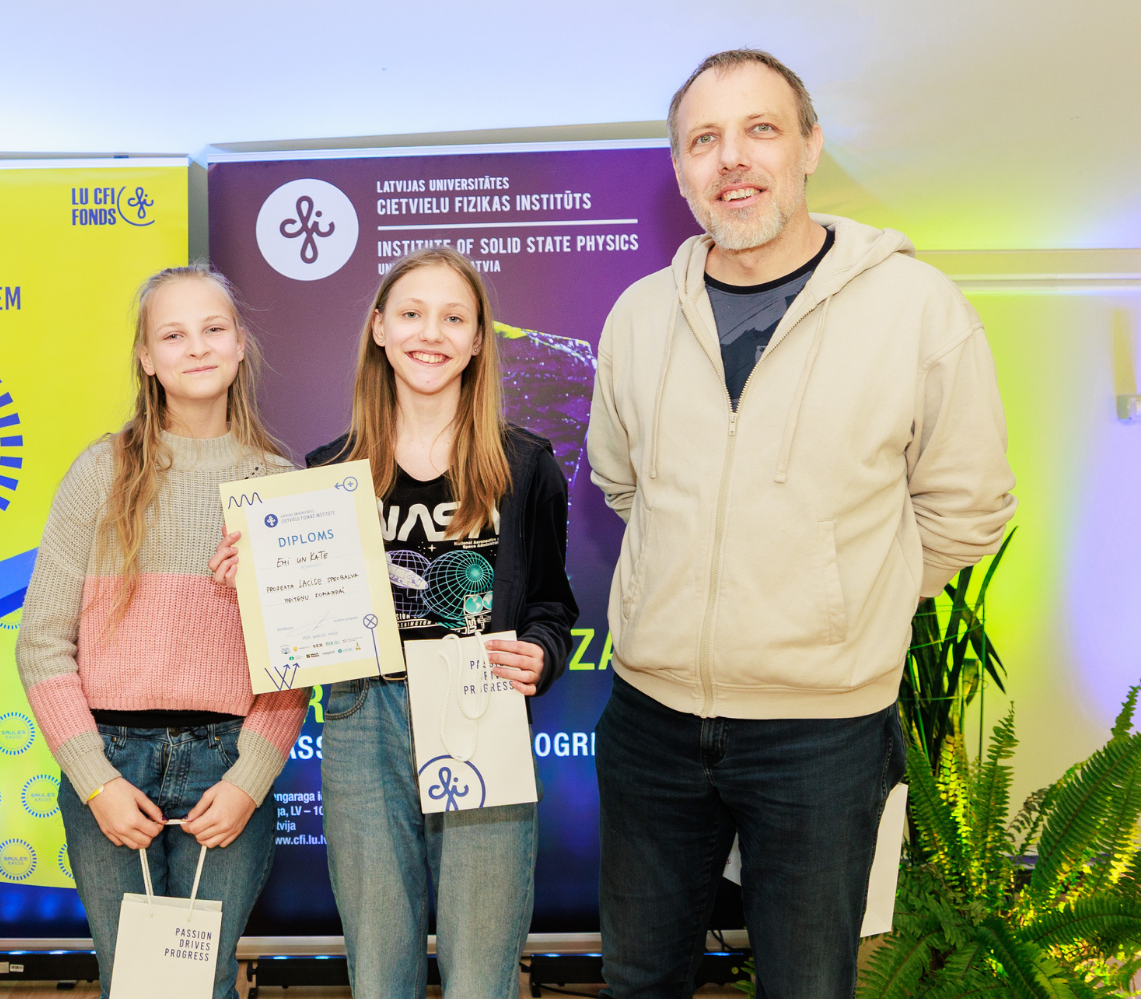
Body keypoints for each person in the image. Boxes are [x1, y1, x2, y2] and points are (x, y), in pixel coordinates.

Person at [587, 49, 1018, 997]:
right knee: (637, 981)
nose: (731, 158)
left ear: (810, 146)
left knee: (809, 986)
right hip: (651, 721)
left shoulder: (916, 309)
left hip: (823, 736)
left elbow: (969, 505)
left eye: (761, 129)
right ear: (680, 169)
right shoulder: (638, 317)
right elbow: (623, 484)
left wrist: (846, 599)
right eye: (704, 139)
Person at [15, 265, 308, 999]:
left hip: (227, 767)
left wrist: (248, 780)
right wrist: (95, 781)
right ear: (146, 358)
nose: (196, 347)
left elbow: (298, 661)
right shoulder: (99, 473)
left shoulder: (279, 487)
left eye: (213, 329)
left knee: (204, 983)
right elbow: (41, 644)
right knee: (135, 984)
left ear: (240, 345)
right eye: (173, 335)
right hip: (112, 766)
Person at [304, 246, 579, 999]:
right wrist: (258, 581)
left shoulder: (526, 466)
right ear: (379, 329)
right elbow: (304, 618)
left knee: (481, 973)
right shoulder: (327, 473)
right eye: (412, 314)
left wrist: (541, 651)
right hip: (364, 717)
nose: (432, 333)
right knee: (379, 971)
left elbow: (552, 603)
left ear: (479, 339)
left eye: (454, 318)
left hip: (480, 709)